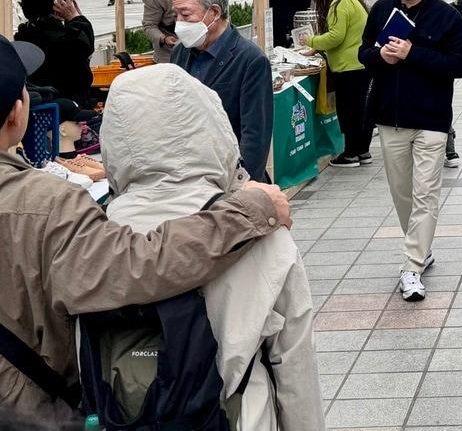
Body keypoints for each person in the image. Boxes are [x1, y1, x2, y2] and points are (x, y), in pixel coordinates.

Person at [0, 28, 291, 422]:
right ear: (16, 113)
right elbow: (143, 264)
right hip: (13, 413)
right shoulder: (46, 204)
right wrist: (250, 210)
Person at [103, 65, 323, 431]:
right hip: (240, 416)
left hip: (126, 415)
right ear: (214, 129)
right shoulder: (261, 232)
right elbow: (294, 361)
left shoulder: (94, 233)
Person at [358, 0, 462, 302]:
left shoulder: (446, 16)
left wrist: (412, 53)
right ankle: (421, 247)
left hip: (431, 118)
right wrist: (381, 56)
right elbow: (363, 53)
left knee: (425, 193)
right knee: (402, 192)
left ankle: (412, 265)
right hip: (390, 117)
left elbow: (459, 66)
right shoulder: (381, 10)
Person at [170, 0, 274, 183]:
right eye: (176, 15)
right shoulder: (180, 52)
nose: (179, 24)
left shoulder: (250, 59)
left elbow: (255, 136)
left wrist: (242, 187)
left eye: (186, 15)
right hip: (189, 178)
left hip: (231, 178)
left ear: (214, 12)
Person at [302, 0, 371, 168]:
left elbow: (336, 36)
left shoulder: (338, 4)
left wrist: (311, 40)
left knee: (348, 112)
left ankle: (350, 154)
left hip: (347, 67)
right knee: (359, 111)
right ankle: (362, 151)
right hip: (361, 64)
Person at [13, 0, 95, 107]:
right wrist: (76, 19)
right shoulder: (63, 38)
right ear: (56, 4)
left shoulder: (25, 32)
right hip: (69, 105)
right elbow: (85, 48)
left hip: (46, 102)